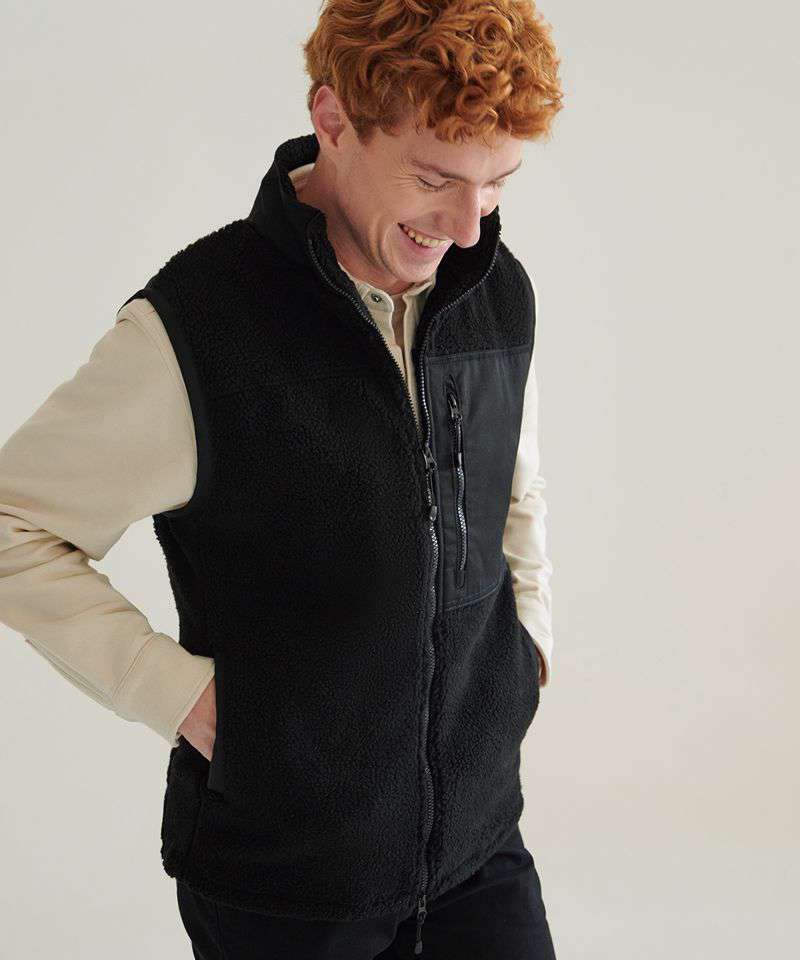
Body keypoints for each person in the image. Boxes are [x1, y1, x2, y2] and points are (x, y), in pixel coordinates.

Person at [0, 1, 563, 956]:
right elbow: (14, 522)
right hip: (285, 887)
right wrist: (174, 693)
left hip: (479, 848)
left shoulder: (493, 290)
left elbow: (513, 488)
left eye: (497, 184)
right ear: (334, 119)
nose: (469, 228)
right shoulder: (197, 331)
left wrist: (528, 647)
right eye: (434, 179)